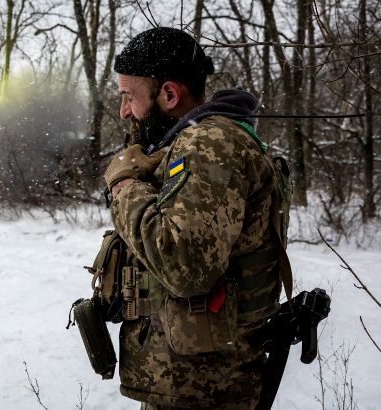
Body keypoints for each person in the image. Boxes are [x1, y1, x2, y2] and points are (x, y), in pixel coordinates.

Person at [102, 27, 285, 409]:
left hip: (206, 391)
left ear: (169, 94)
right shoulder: (191, 143)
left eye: (127, 97)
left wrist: (125, 186)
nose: (123, 112)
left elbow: (185, 266)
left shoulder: (208, 144)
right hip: (190, 384)